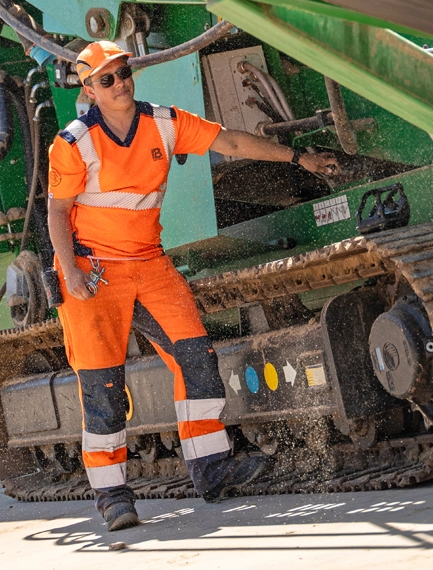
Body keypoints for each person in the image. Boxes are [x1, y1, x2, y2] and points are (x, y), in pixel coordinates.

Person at [47, 41, 339, 532]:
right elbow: (56, 211)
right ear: (89, 88)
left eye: (123, 73)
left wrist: (297, 157)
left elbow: (232, 142)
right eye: (107, 79)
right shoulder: (75, 143)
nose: (120, 84)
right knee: (102, 386)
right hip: (94, 273)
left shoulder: (163, 121)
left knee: (196, 358)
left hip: (149, 265)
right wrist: (70, 274)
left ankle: (212, 469)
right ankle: (113, 496)